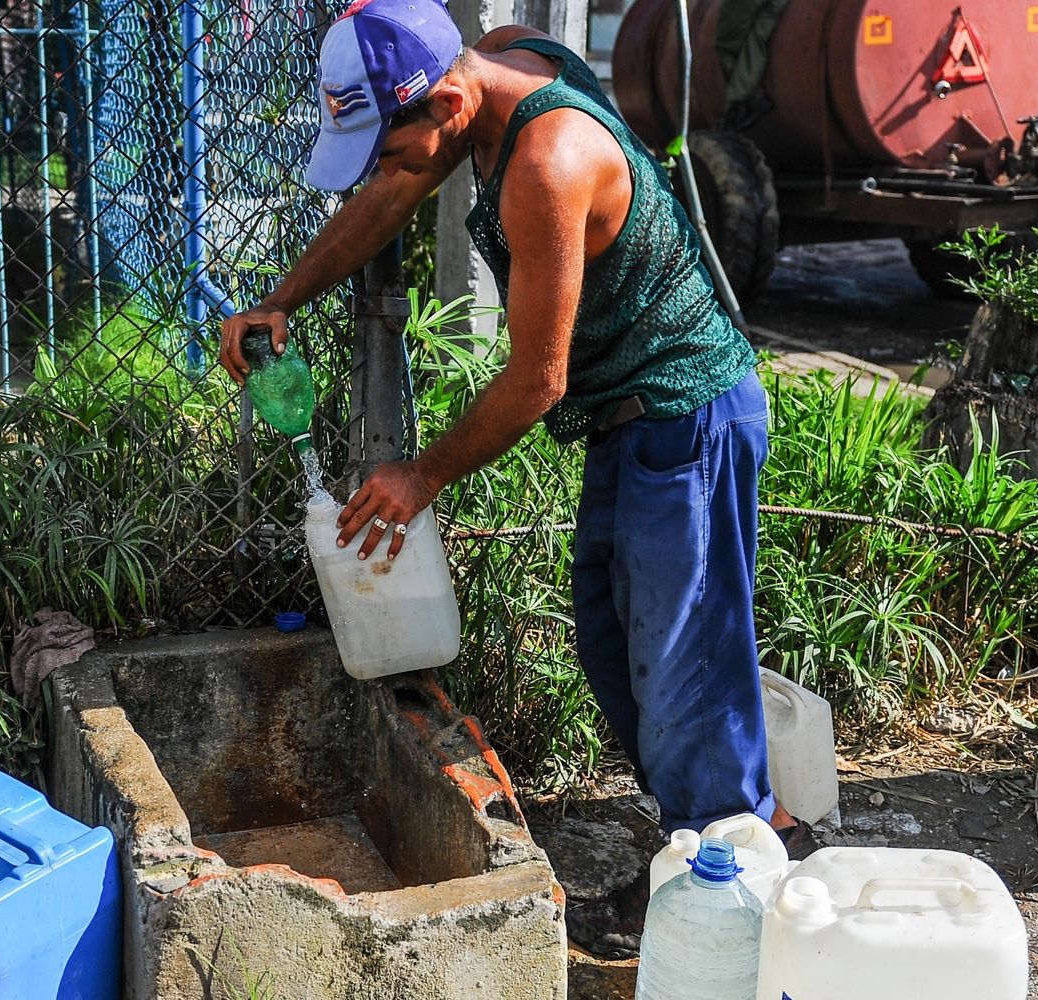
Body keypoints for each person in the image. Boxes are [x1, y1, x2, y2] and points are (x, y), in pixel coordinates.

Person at [218, 0, 809, 852]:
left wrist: (420, 475)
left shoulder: (547, 162)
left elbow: (537, 381)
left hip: (687, 415)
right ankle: (716, 839)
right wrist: (279, 300)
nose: (383, 170)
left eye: (387, 145)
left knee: (685, 671)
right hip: (628, 420)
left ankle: (741, 858)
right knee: (617, 652)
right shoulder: (496, 61)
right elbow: (392, 193)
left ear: (448, 106)